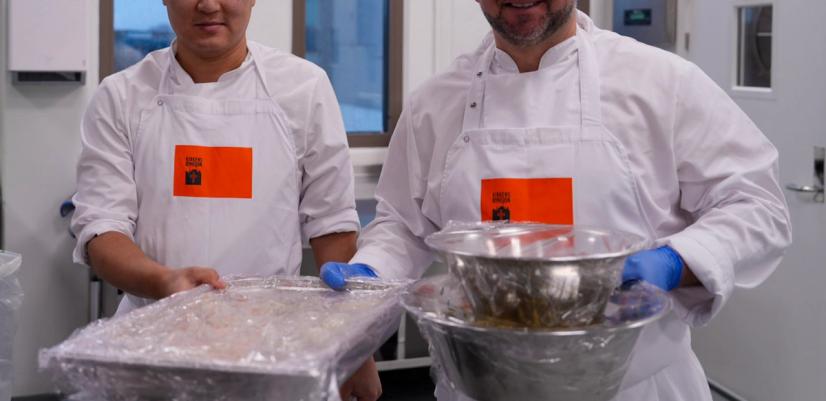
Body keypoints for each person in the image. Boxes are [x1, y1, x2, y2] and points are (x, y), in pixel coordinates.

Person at [320, 1, 792, 400]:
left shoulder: (663, 84)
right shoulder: (435, 103)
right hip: (479, 386)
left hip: (634, 387)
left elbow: (757, 205)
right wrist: (372, 271)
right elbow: (404, 224)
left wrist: (674, 261)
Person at [70, 1, 380, 399]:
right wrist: (164, 281)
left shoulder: (303, 87)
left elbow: (332, 225)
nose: (208, 5)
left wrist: (357, 347)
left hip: (273, 348)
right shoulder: (122, 96)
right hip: (155, 344)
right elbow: (101, 229)